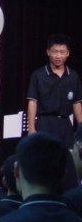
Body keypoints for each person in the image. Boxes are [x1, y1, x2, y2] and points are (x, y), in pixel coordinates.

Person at [27, 33, 82, 190]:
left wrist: (81, 128)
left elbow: (77, 104)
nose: (58, 56)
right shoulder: (38, 75)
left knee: (68, 163)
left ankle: (68, 196)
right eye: (55, 51)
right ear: (48, 52)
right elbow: (32, 102)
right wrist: (32, 128)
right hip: (44, 123)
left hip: (65, 124)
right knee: (44, 162)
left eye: (62, 52)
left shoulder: (73, 76)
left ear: (68, 53)